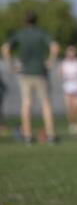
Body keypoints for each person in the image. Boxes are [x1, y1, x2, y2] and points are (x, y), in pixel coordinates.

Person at [1, 10, 60, 145]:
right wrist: (50, 61)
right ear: (36, 20)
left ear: (25, 21)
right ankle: (51, 135)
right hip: (40, 72)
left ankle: (27, 136)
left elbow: (5, 48)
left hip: (25, 73)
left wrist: (11, 64)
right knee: (45, 103)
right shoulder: (41, 33)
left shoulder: (20, 34)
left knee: (26, 103)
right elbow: (54, 47)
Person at [59, 44, 77, 134]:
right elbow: (61, 74)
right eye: (70, 51)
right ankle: (72, 124)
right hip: (68, 88)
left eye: (73, 51)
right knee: (70, 108)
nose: (72, 53)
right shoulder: (64, 63)